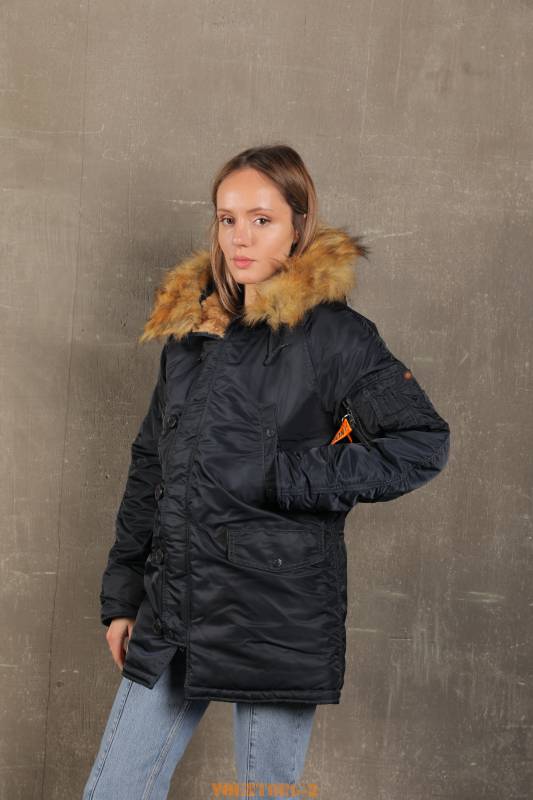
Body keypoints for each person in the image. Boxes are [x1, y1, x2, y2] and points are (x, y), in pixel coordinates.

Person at [83, 144, 451, 799]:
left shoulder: (335, 336)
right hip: (175, 605)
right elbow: (149, 467)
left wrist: (284, 477)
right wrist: (123, 597)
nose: (240, 238)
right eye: (227, 219)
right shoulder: (190, 334)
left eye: (261, 219)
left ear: (297, 226)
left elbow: (421, 442)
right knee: (115, 790)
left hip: (278, 613)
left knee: (265, 795)